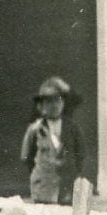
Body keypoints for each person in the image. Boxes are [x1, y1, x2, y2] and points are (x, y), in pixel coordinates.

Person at [19, 76, 85, 205]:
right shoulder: (35, 129)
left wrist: (69, 173)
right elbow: (26, 157)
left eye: (58, 100)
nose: (54, 105)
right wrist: (43, 173)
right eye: (49, 101)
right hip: (43, 190)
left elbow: (81, 155)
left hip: (67, 190)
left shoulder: (73, 128)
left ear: (64, 103)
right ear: (41, 105)